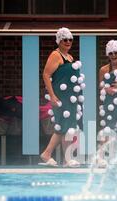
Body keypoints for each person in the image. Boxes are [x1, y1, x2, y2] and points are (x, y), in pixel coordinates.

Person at [39, 27, 84, 167]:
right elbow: (46, 75)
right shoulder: (56, 55)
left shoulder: (69, 57)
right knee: (62, 127)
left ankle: (66, 159)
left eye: (70, 39)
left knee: (67, 128)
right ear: (59, 40)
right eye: (65, 39)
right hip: (61, 97)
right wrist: (52, 96)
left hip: (70, 97)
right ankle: (47, 154)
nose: (68, 42)